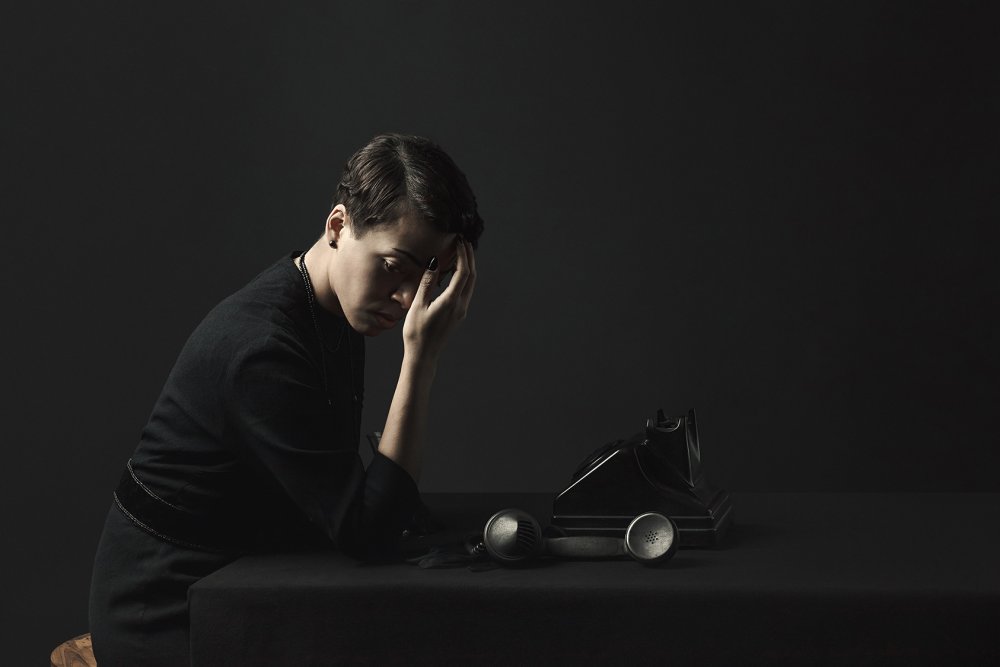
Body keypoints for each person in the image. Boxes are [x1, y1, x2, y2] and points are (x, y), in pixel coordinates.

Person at [88, 133, 483, 665]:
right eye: (394, 266)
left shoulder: (331, 309)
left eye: (429, 277)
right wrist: (422, 358)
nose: (409, 298)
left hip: (248, 578)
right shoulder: (261, 349)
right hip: (168, 606)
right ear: (338, 227)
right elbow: (367, 532)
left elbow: (347, 505)